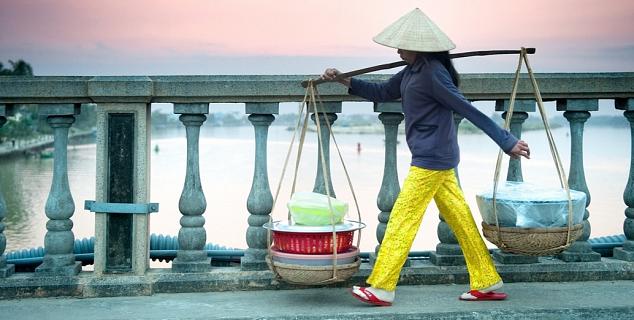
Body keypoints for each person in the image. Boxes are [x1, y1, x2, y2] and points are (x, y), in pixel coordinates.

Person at [321, 8, 530, 305]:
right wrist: (344, 80)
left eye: (403, 45)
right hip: (436, 158)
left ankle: (381, 286)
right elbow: (382, 92)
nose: (397, 50)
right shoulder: (411, 71)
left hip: (430, 160)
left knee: (402, 220)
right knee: (461, 219)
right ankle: (486, 280)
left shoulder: (433, 73)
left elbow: (466, 108)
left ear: (419, 47)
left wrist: (506, 141)